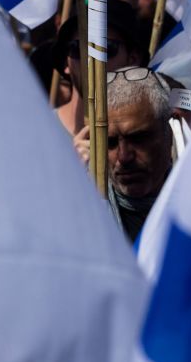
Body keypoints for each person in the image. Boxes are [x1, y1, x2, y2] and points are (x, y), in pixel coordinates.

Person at [73, 66, 176, 243]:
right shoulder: (79, 209)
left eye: (138, 138)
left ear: (169, 133)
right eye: (110, 142)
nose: (124, 157)